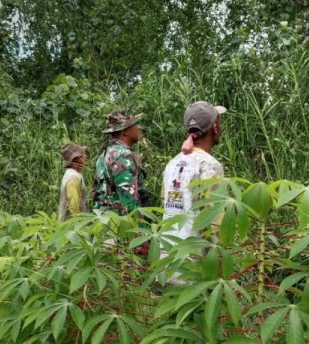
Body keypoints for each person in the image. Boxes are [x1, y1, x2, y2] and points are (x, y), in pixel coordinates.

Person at [161, 101, 226, 240]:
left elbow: (164, 204)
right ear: (215, 127)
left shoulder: (172, 164)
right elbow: (213, 217)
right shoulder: (210, 165)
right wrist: (219, 249)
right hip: (194, 250)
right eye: (219, 121)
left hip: (166, 247)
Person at [92, 109, 150, 215]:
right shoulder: (124, 155)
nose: (139, 127)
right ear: (126, 130)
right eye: (135, 124)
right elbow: (128, 199)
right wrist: (138, 223)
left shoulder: (105, 154)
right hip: (121, 222)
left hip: (105, 219)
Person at [57, 141, 88, 221]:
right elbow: (74, 208)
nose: (85, 156)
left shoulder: (71, 174)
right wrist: (78, 225)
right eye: (83, 154)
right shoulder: (73, 178)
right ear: (76, 159)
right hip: (72, 226)